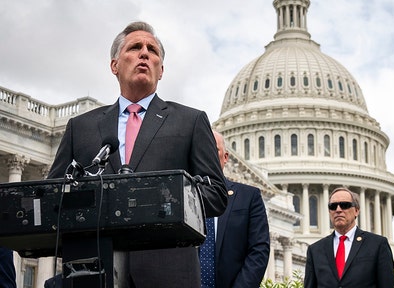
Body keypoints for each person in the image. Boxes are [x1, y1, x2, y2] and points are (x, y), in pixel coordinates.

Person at [47, 21, 228, 288]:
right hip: (94, 272)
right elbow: (54, 197)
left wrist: (161, 198)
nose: (145, 53)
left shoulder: (191, 121)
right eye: (135, 47)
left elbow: (216, 194)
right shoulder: (81, 128)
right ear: (114, 65)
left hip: (168, 274)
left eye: (152, 50)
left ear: (161, 70)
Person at [199, 131, 270, 288]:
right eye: (203, 149)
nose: (207, 154)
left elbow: (258, 250)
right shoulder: (180, 195)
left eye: (213, 149)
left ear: (225, 158)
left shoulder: (249, 197)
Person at [304, 187, 394, 288]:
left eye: (344, 205)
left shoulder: (377, 245)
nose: (338, 210)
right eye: (333, 206)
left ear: (356, 211)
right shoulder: (315, 250)